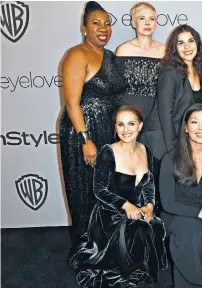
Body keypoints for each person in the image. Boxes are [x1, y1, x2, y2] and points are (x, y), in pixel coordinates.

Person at [68, 105, 167, 287]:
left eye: (131, 124)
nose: (126, 129)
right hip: (110, 212)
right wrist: (126, 205)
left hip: (136, 207)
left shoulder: (146, 150)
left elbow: (149, 183)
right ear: (115, 127)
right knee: (139, 228)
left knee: (155, 225)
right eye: (120, 124)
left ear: (140, 126)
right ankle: (126, 269)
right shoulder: (108, 151)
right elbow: (99, 190)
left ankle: (137, 267)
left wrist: (149, 206)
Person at [59, 1, 125, 262]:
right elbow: (72, 103)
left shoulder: (110, 56)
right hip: (83, 132)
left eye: (107, 23)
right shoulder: (76, 54)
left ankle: (107, 247)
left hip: (108, 131)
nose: (103, 28)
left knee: (107, 191)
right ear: (83, 28)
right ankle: (88, 252)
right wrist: (85, 139)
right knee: (86, 192)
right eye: (96, 23)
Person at [159, 103, 202, 288]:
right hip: (176, 214)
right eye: (195, 122)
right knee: (189, 233)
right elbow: (167, 203)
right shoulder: (170, 158)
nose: (201, 128)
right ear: (186, 128)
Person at [114, 1, 165, 213]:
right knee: (127, 170)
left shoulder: (164, 51)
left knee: (155, 168)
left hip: (155, 117)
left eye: (151, 19)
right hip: (128, 117)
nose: (147, 23)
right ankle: (127, 218)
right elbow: (115, 88)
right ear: (133, 22)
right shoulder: (123, 50)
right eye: (142, 18)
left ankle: (154, 216)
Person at [156, 24, 202, 157]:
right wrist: (174, 151)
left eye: (191, 41)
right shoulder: (169, 73)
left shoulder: (200, 72)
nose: (187, 47)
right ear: (175, 48)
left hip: (183, 142)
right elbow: (166, 115)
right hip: (163, 144)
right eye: (181, 43)